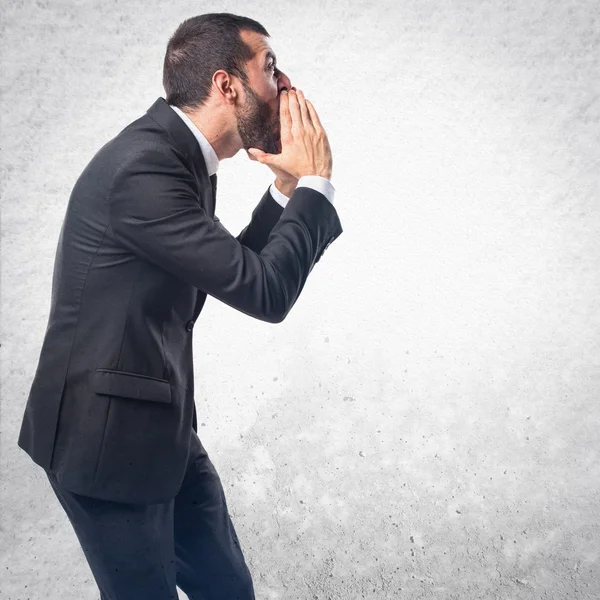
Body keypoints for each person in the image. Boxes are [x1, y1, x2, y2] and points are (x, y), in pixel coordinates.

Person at [17, 12, 342, 600]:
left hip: (163, 430)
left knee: (227, 590)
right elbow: (264, 291)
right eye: (269, 67)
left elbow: (229, 267)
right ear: (227, 85)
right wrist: (316, 184)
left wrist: (286, 193)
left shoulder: (179, 156)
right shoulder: (146, 168)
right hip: (105, 445)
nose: (285, 83)